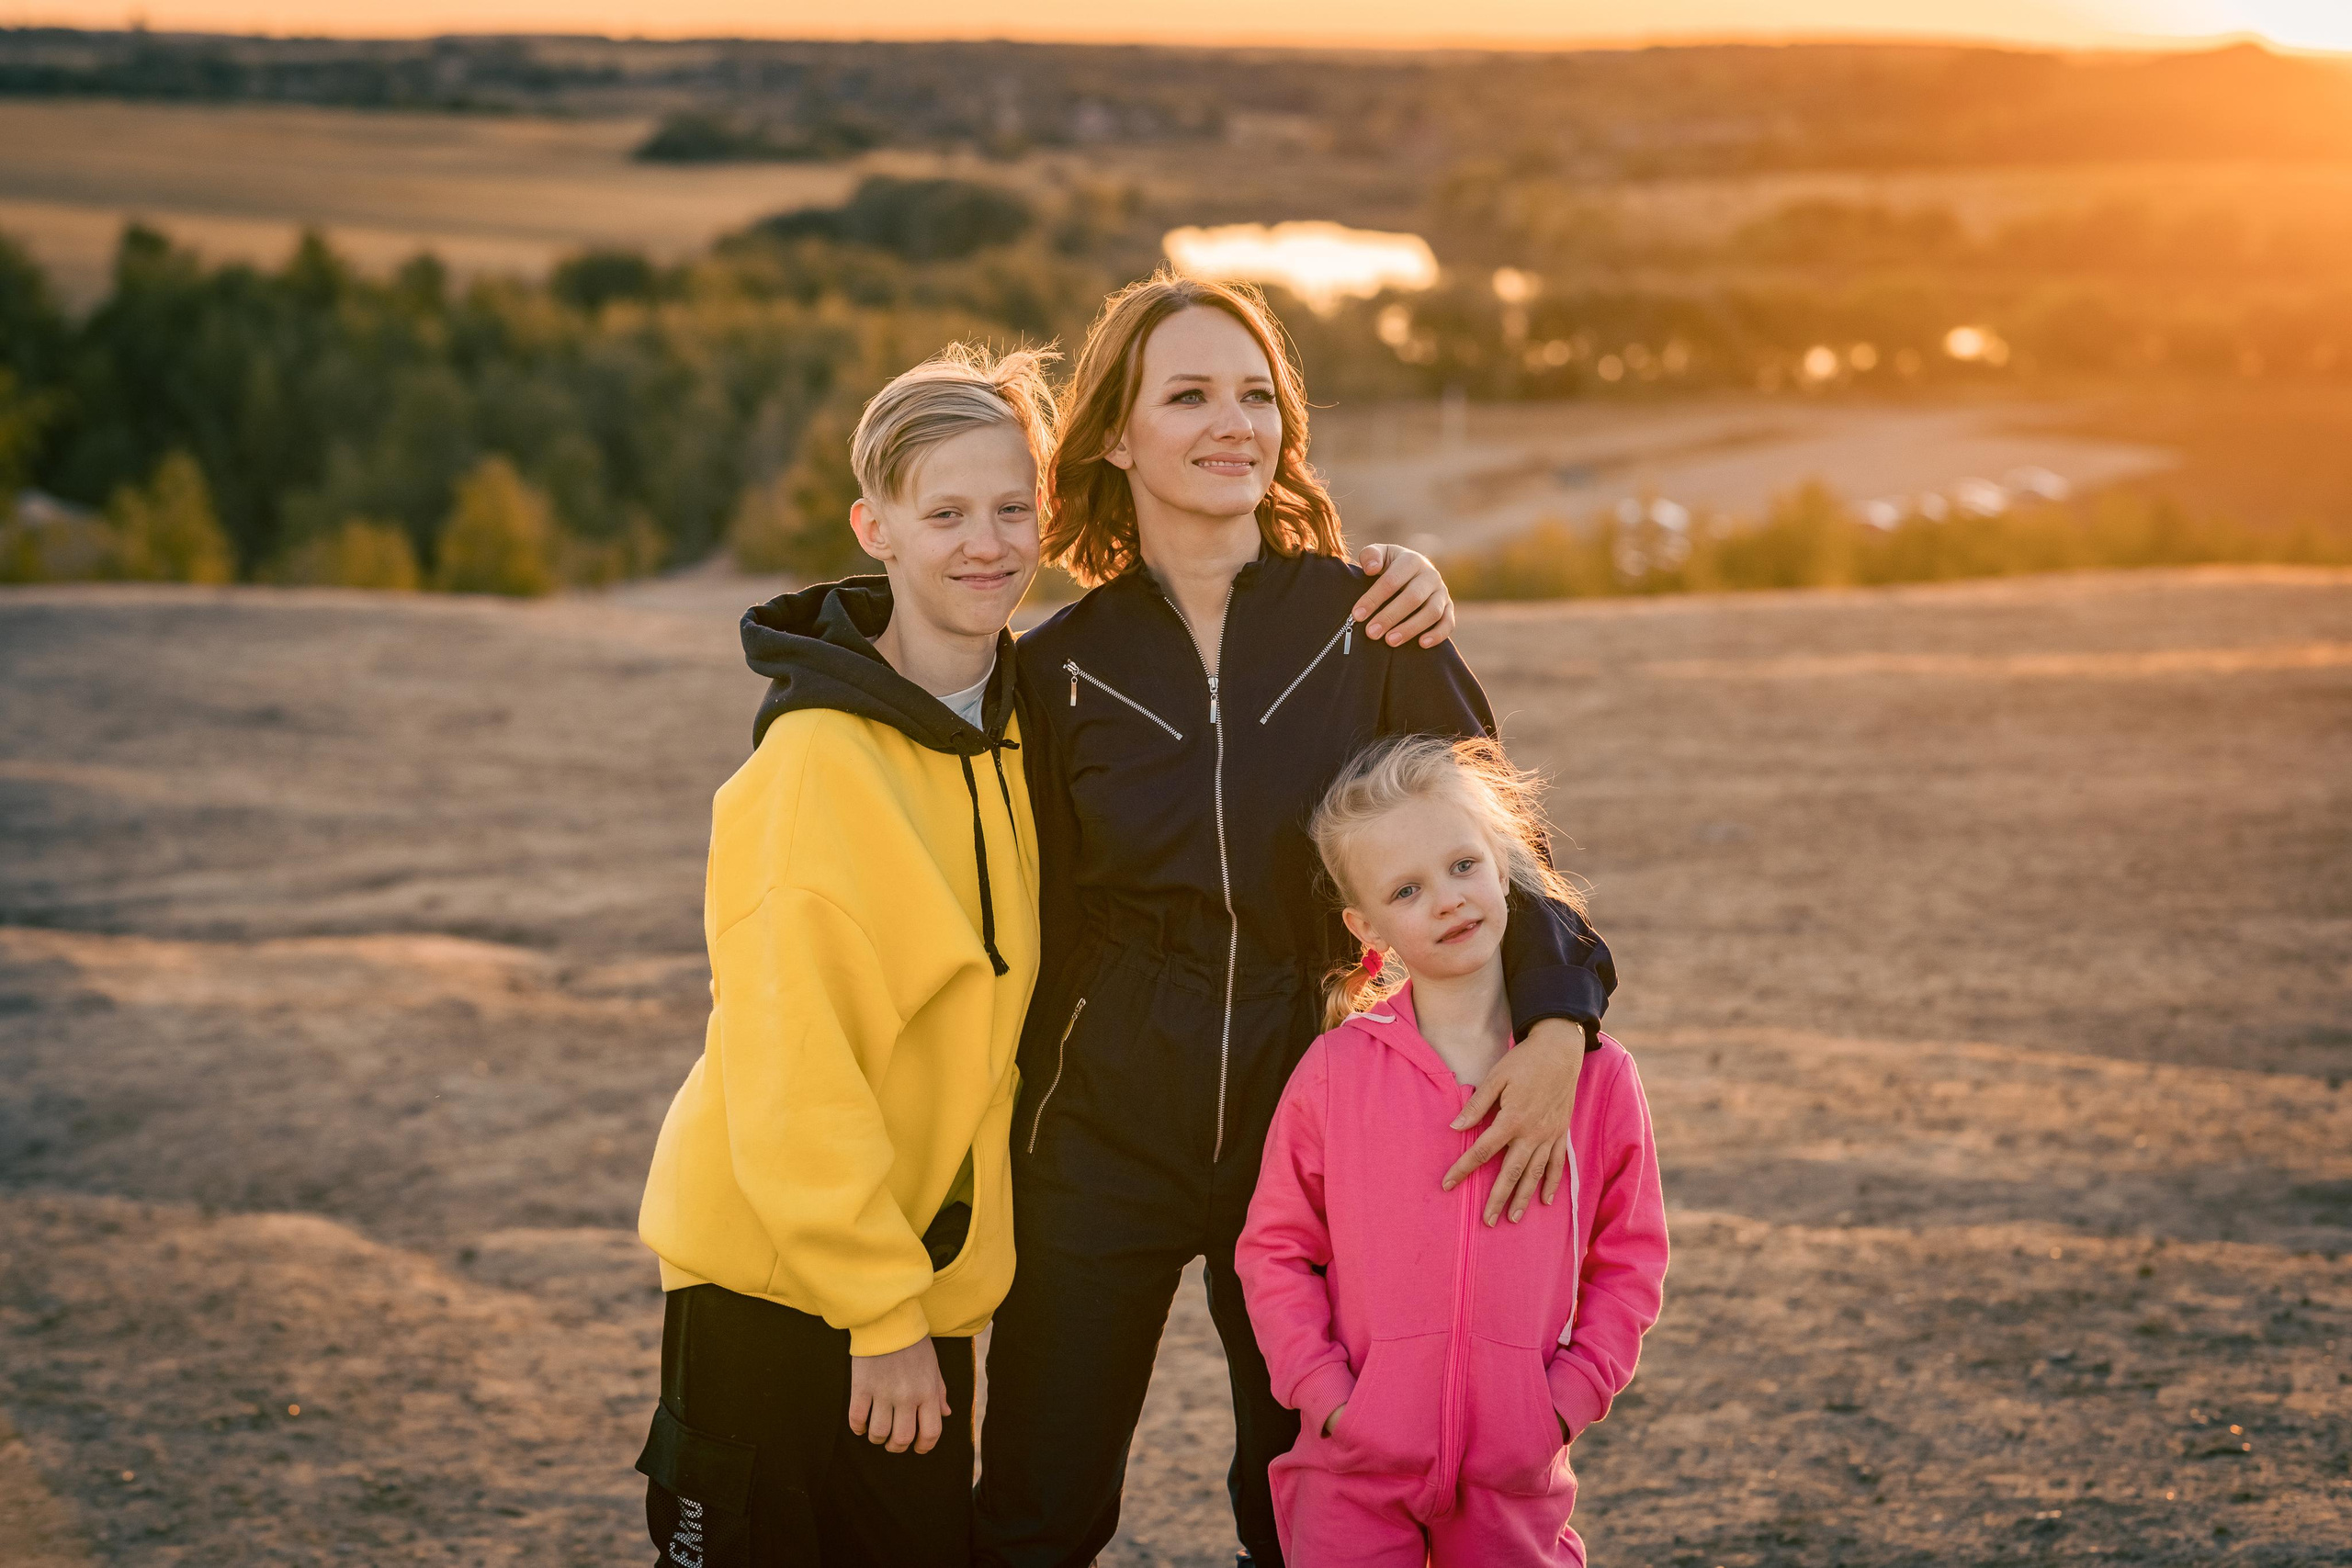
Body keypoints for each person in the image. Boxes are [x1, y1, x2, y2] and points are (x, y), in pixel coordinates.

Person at [631, 337, 1460, 1568]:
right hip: (795, 1279)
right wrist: (878, 1311)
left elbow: (1467, 836)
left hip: (931, 1266)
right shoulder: (828, 757)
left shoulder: (1007, 723)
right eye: (946, 513)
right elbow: (788, 1065)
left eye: (1011, 509)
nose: (986, 543)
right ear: (874, 528)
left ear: (1047, 516)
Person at [975, 273, 1619, 1568]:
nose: (1234, 423)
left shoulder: (1367, 622)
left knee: (1309, 1497)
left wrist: (1561, 1023)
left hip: (1320, 1113)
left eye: (1256, 394)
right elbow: (1025, 915)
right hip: (1096, 1126)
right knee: (1042, 1501)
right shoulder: (1053, 669)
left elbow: (1504, 849)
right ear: (1116, 436)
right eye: (1190, 395)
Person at [1237, 735, 1668, 1567]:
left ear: (1504, 867)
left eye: (1463, 865)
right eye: (1407, 889)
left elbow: (1630, 1257)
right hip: (1354, 1470)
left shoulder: (1597, 1077)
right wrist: (1330, 1399)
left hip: (1515, 1476)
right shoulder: (1334, 1071)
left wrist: (1563, 1401)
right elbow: (1275, 1250)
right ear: (1366, 926)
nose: (1448, 900)